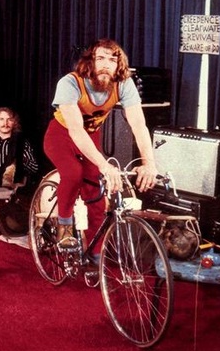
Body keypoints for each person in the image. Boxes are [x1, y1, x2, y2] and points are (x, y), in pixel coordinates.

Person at [43, 38, 159, 254]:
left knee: (97, 193)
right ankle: (64, 228)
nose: (106, 64)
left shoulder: (123, 84)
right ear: (90, 61)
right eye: (101, 58)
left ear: (119, 65)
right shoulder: (70, 83)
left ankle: (96, 252)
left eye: (112, 60)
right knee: (73, 173)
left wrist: (149, 163)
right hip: (61, 136)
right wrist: (105, 165)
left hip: (91, 137)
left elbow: (139, 124)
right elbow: (76, 130)